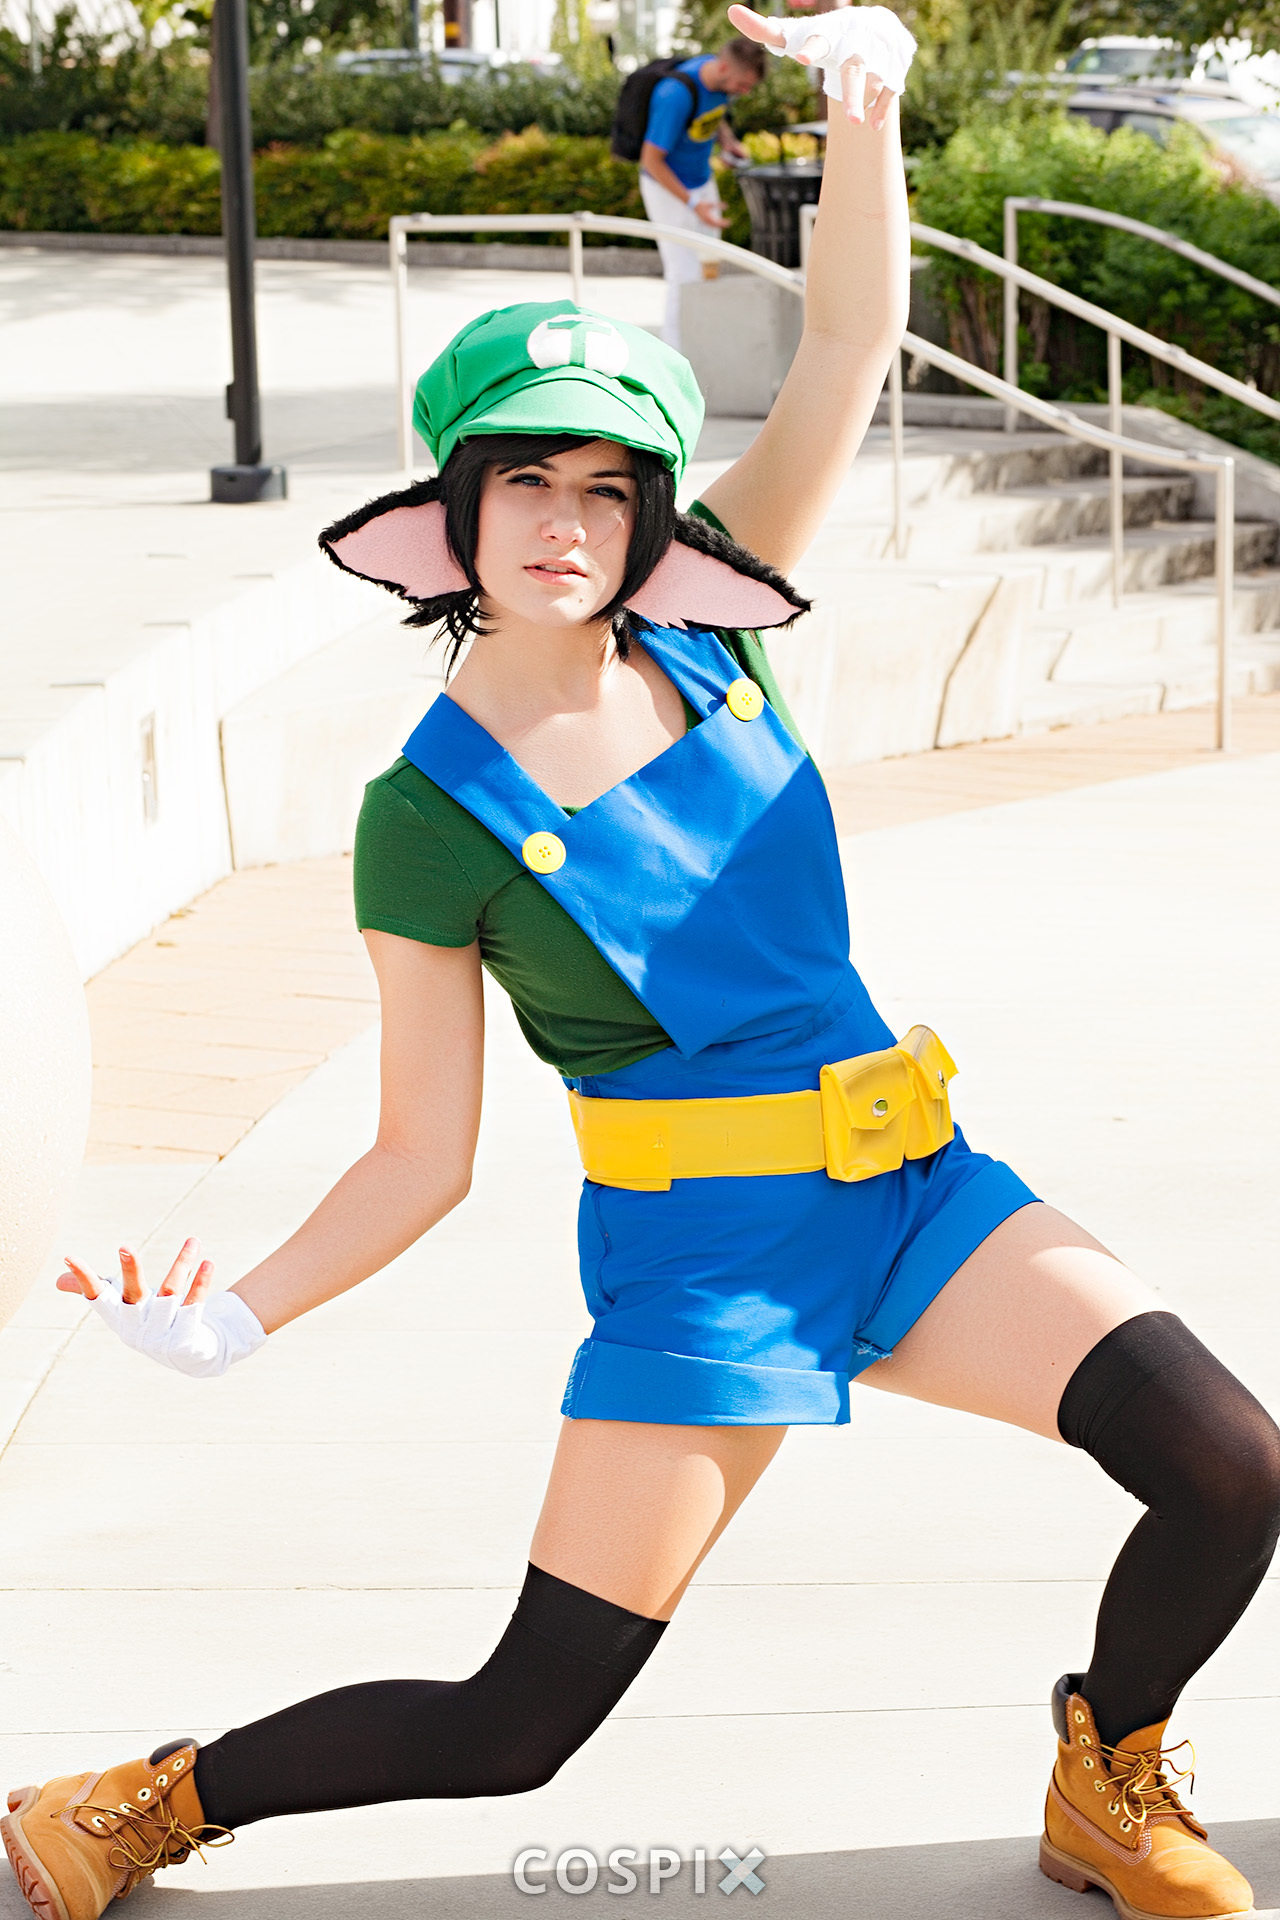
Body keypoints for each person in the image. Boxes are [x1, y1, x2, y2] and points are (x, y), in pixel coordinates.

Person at [4, 11, 1278, 1920]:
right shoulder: (423, 816)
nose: (568, 524)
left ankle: (1106, 1768)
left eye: (609, 491)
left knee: (1229, 1463)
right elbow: (419, 1153)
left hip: (916, 1191)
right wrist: (241, 1315)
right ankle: (139, 1805)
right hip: (705, 1264)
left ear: (652, 519)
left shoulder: (712, 634)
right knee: (523, 1720)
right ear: (455, 509)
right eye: (529, 482)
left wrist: (864, 102)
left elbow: (847, 341)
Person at [639, 35, 762, 349]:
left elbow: (713, 115)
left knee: (709, 266)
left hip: (701, 181)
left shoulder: (719, 81)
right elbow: (651, 161)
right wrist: (693, 203)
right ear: (723, 68)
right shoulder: (674, 95)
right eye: (742, 85)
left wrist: (728, 143)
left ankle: (704, 340)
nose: (744, 92)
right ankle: (677, 351)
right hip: (667, 188)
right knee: (683, 274)